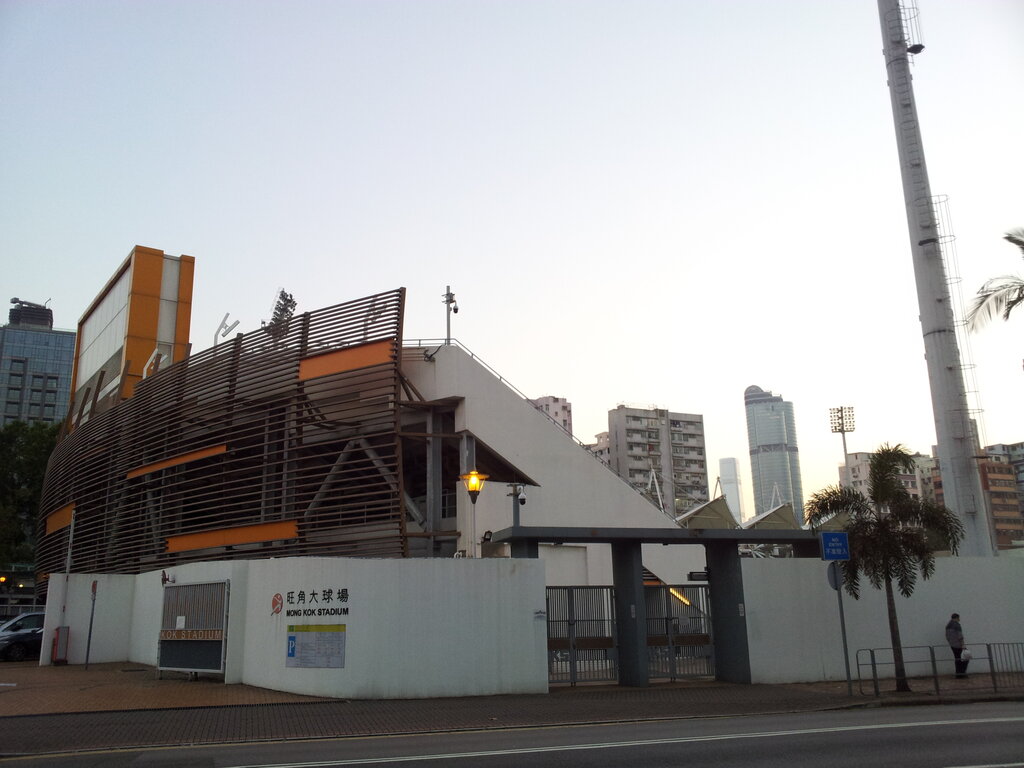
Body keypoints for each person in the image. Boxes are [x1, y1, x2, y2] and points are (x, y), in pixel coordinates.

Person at [945, 612, 968, 678]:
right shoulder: (957, 625)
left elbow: (946, 636)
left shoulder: (948, 625)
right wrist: (963, 645)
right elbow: (960, 636)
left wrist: (950, 642)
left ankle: (958, 673)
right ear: (956, 618)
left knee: (957, 659)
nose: (959, 619)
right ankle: (962, 673)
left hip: (952, 645)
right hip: (958, 645)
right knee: (965, 658)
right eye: (958, 618)